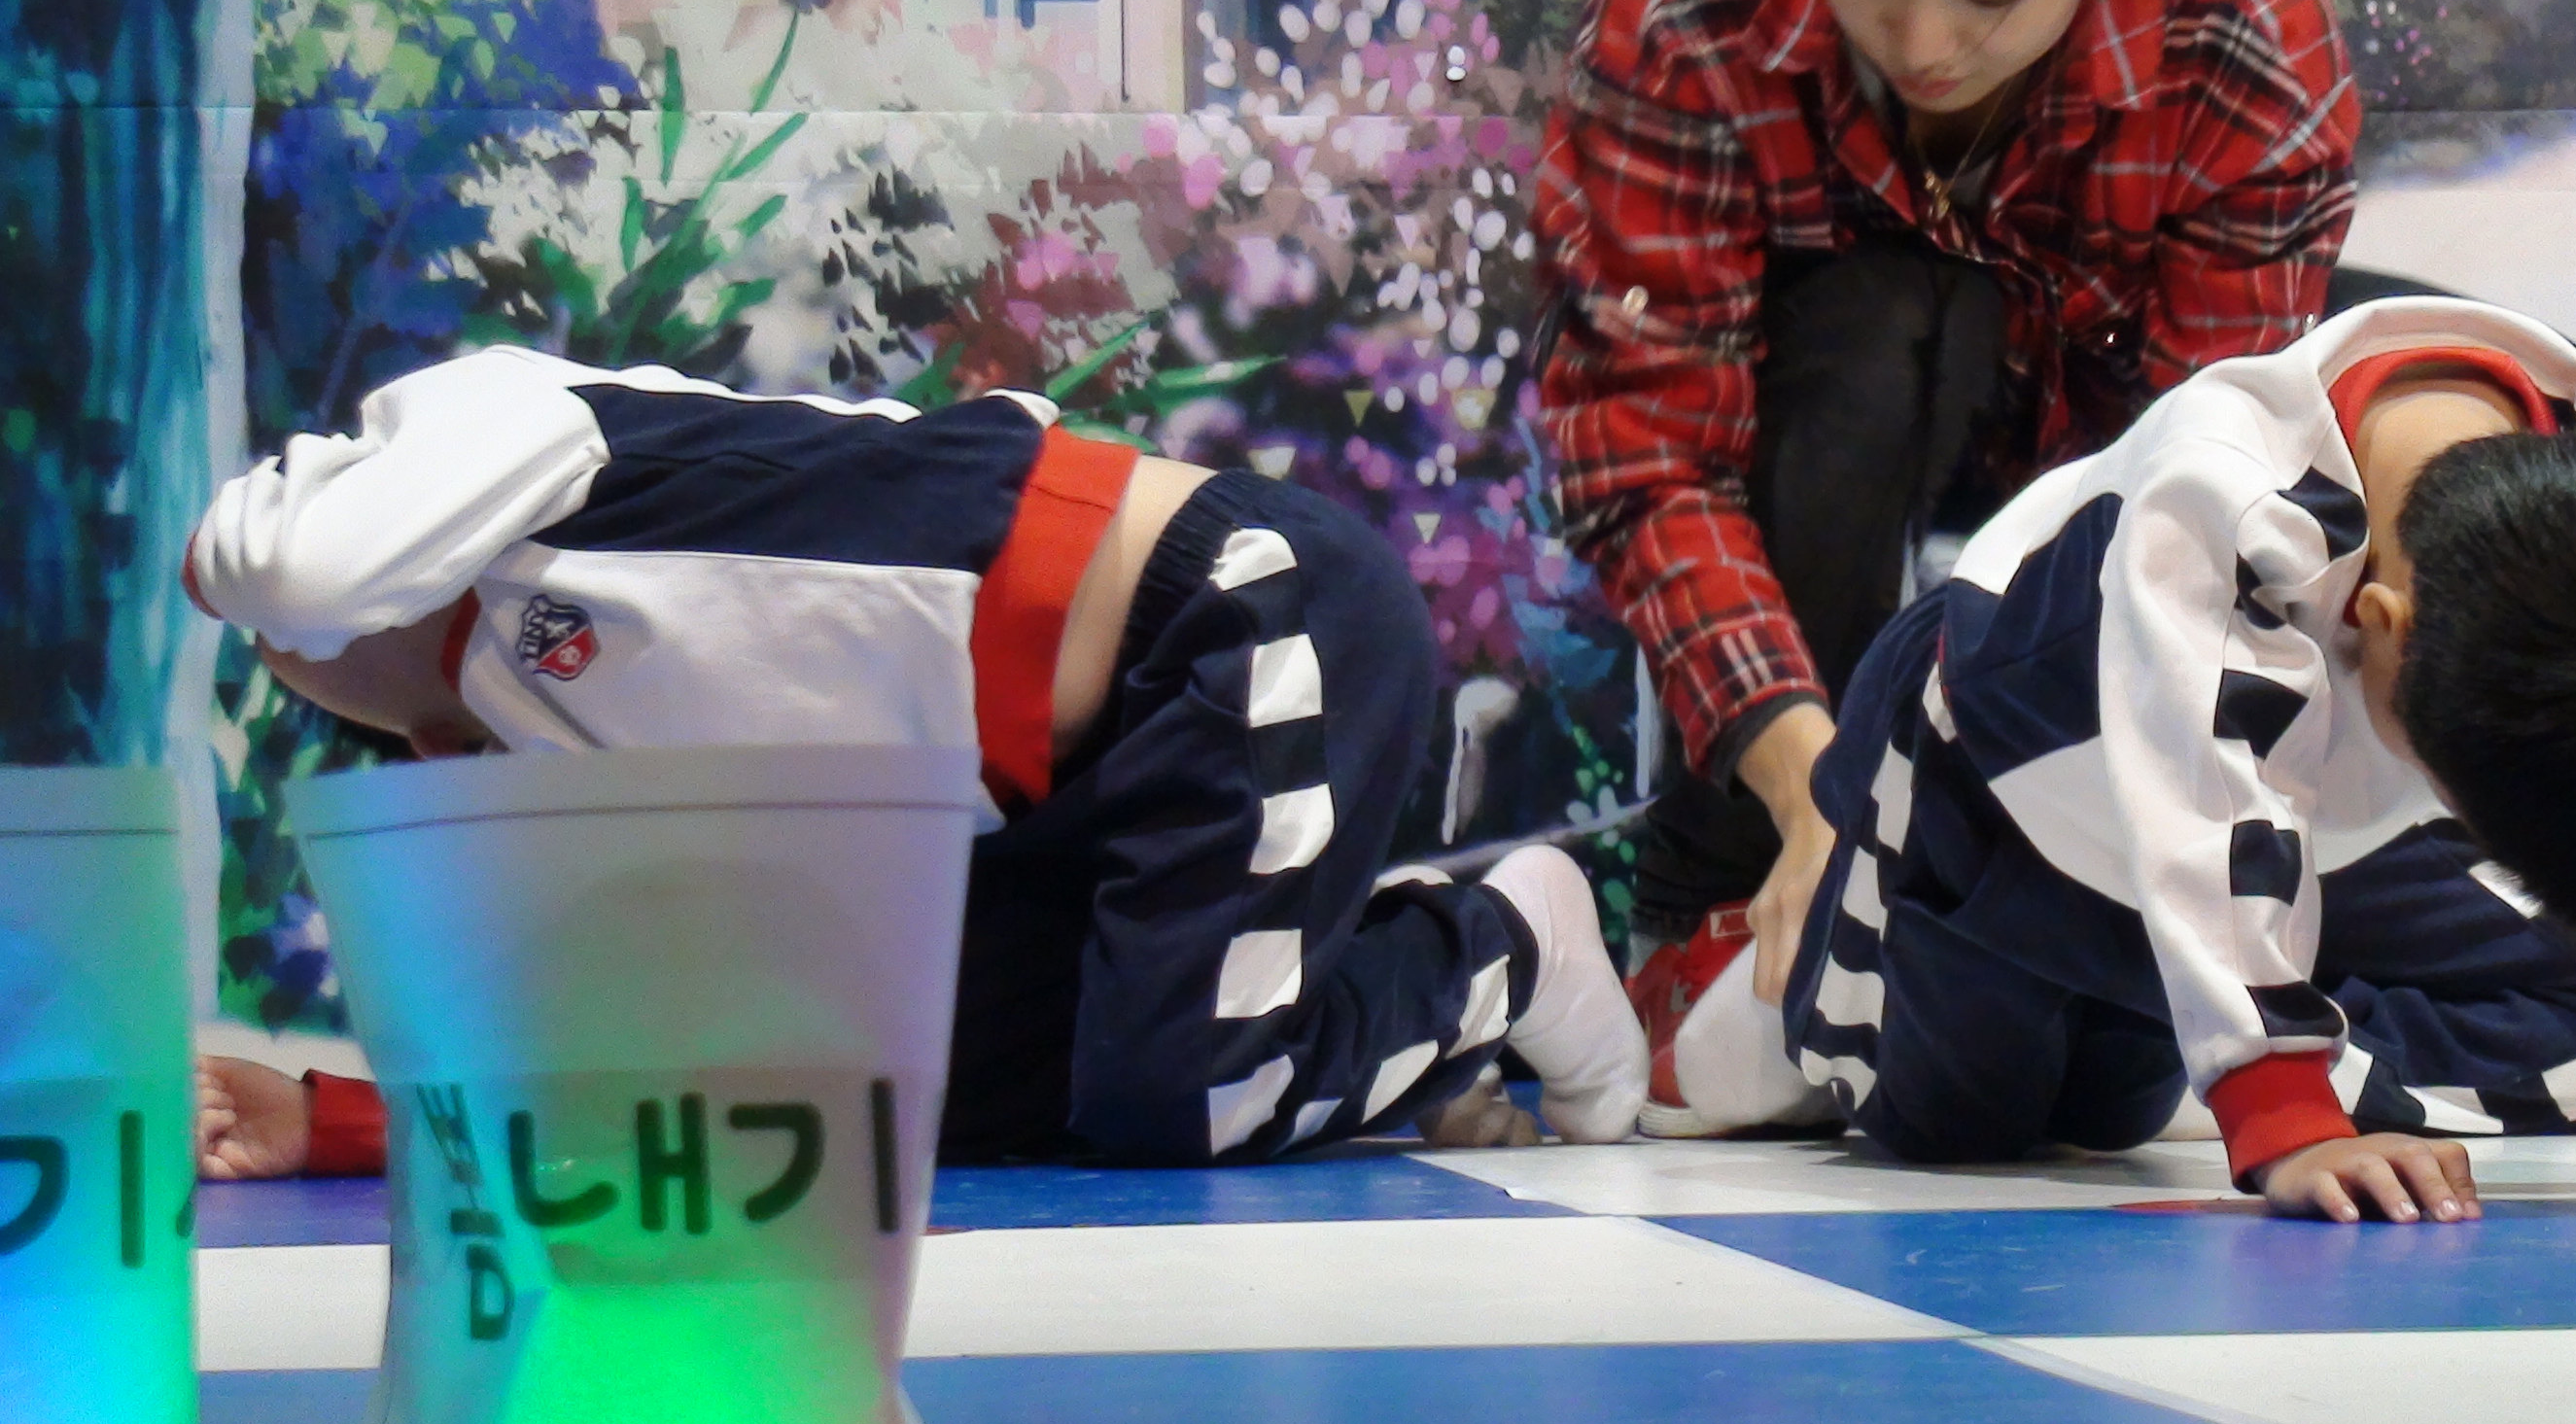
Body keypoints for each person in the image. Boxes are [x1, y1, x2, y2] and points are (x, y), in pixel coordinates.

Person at [1528, 0, 2358, 1129]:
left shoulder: (2243, 39)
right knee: (1878, 325)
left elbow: (2195, 499)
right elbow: (1649, 452)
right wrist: (1818, 793)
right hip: (1824, 447)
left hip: (2113, 452)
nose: (1918, 42)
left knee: (2347, 433)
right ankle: (1725, 911)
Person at [179, 345, 1646, 1182]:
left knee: (1187, 1101)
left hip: (1241, 609)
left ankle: (1501, 942)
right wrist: (330, 1122)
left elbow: (283, 567)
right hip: (1056, 809)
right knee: (901, 1103)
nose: (273, 644)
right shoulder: (542, 739)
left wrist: (258, 554)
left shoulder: (520, 426)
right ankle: (1331, 989)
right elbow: (673, 1088)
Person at [1726, 294, 2576, 1217]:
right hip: (1990, 777)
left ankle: (2180, 1026)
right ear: (2379, 629)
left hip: (2228, 838)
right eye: (2464, 805)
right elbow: (2207, 814)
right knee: (1953, 1126)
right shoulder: (2228, 509)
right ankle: (1741, 1014)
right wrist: (2288, 1117)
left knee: (2103, 1117)